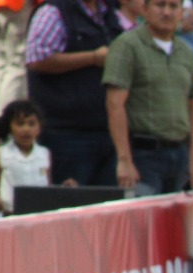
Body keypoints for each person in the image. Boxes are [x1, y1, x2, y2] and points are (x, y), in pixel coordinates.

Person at [104, 0, 193, 195]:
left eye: (173, 7)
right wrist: (124, 160)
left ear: (182, 12)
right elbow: (115, 104)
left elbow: (191, 105)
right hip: (143, 154)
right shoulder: (126, 45)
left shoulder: (185, 51)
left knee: (174, 223)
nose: (167, 12)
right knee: (145, 222)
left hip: (179, 154)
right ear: (145, 9)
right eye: (160, 5)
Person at [25, 0, 124, 186]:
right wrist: (93, 58)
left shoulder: (109, 12)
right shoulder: (53, 12)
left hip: (107, 133)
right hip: (66, 135)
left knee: (106, 210)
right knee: (70, 206)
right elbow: (37, 58)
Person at [0, 100, 52, 214]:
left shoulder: (44, 154)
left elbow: (48, 185)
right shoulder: (2, 153)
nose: (26, 129)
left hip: (39, 213)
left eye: (31, 124)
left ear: (39, 128)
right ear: (10, 126)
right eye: (20, 124)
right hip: (11, 213)